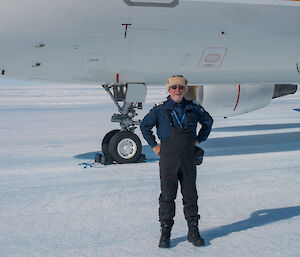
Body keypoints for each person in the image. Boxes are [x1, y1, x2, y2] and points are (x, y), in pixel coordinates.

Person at [140, 75, 213, 248]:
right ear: (169, 89)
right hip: (168, 158)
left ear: (185, 89)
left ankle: (193, 231)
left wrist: (198, 140)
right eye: (174, 88)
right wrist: (154, 147)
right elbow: (144, 126)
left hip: (188, 158)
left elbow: (208, 122)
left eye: (180, 87)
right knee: (167, 196)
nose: (177, 90)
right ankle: (165, 233)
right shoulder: (160, 109)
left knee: (190, 195)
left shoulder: (193, 107)